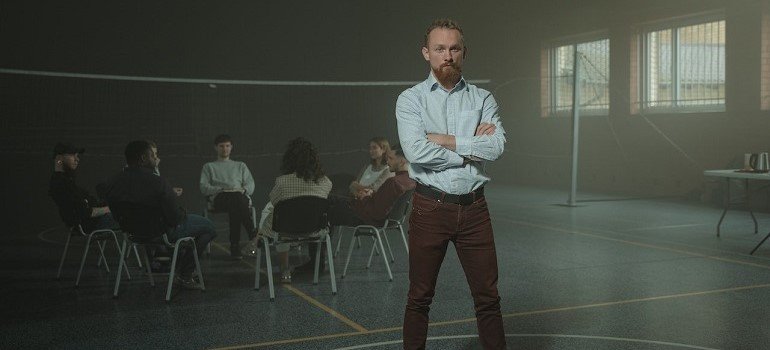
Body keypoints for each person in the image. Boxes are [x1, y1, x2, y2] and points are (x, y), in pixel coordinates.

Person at [396, 19, 507, 350]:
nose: (448, 55)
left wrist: (443, 140)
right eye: (440, 49)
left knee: (488, 297)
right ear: (426, 53)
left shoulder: (483, 98)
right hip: (430, 208)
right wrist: (469, 149)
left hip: (475, 210)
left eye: (454, 48)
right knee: (419, 297)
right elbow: (416, 152)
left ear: (464, 52)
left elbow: (497, 147)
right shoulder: (410, 100)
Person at [106, 140, 217, 289]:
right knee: (209, 227)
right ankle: (184, 274)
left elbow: (115, 212)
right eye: (152, 155)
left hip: (132, 234)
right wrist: (182, 213)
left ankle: (180, 268)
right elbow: (174, 219)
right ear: (143, 158)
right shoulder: (158, 182)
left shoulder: (114, 181)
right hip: (160, 233)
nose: (155, 159)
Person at [243, 137, 332, 284]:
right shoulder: (326, 182)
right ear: (315, 160)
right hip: (315, 230)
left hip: (286, 230)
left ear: (289, 159)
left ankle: (282, 265)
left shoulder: (282, 181)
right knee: (279, 213)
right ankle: (259, 239)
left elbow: (274, 200)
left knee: (273, 212)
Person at [329, 144, 416, 227]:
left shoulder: (393, 182)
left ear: (401, 162)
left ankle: (321, 239)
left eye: (391, 158)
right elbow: (386, 202)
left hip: (370, 219)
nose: (387, 161)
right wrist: (371, 194)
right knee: (333, 201)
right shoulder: (411, 180)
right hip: (392, 220)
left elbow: (377, 214)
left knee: (329, 207)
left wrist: (364, 197)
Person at [199, 134, 256, 259]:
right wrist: (221, 189)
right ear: (216, 148)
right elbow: (204, 187)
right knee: (236, 200)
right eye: (221, 146)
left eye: (227, 146)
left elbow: (250, 185)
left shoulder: (240, 165)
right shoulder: (209, 167)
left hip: (238, 197)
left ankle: (234, 246)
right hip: (220, 198)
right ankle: (253, 234)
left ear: (231, 147)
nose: (224, 149)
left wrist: (242, 189)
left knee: (235, 202)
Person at [48, 142, 117, 232]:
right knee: (131, 216)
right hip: (90, 224)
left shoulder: (65, 180)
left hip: (90, 222)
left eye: (77, 156)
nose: (77, 159)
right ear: (59, 158)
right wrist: (109, 209)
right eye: (73, 155)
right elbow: (86, 212)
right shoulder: (62, 183)